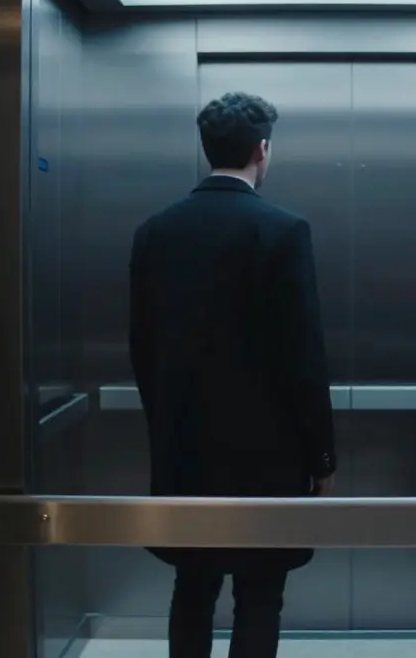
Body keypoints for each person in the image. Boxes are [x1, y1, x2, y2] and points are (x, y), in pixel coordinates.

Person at [128, 91, 337, 658]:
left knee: (192, 588)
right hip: (268, 459)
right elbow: (303, 355)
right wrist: (321, 457)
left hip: (184, 451)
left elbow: (141, 347)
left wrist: (164, 430)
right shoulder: (283, 231)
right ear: (262, 150)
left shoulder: (156, 231)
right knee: (260, 593)